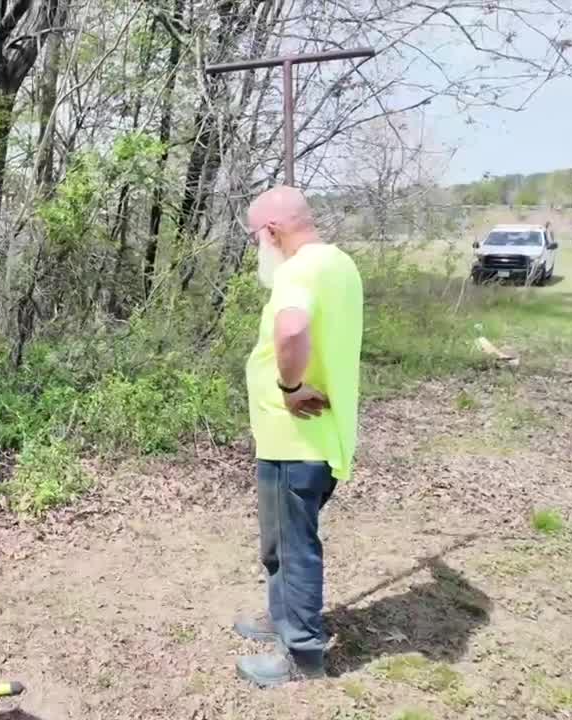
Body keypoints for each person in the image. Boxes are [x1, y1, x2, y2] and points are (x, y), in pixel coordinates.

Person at [232, 185, 364, 687]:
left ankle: (301, 652)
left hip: (296, 440)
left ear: (272, 232)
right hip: (318, 438)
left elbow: (292, 329)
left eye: (256, 238)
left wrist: (289, 388)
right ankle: (281, 616)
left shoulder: (298, 271)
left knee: (292, 548)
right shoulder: (339, 264)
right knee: (281, 543)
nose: (257, 248)